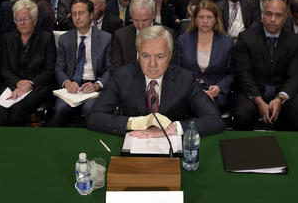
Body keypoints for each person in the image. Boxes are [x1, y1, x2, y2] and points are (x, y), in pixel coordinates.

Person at [87, 25, 224, 136]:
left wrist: (173, 128)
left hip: (171, 145)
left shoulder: (185, 79)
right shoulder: (122, 76)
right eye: (145, 56)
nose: (152, 64)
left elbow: (215, 120)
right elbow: (94, 117)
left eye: (159, 57)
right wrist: (136, 123)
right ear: (138, 54)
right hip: (134, 141)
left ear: (169, 56)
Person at [232, 0, 298, 130]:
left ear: (285, 17)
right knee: (242, 113)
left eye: (278, 15)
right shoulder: (246, 37)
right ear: (263, 15)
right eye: (269, 14)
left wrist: (280, 99)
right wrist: (259, 101)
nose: (273, 19)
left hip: (282, 92)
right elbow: (243, 74)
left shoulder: (294, 40)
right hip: (253, 92)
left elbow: (295, 76)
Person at [50, 0, 112, 127]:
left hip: (94, 88)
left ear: (91, 15)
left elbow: (110, 69)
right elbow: (59, 69)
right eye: (74, 14)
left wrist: (97, 85)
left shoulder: (106, 38)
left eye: (81, 13)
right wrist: (66, 83)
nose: (77, 17)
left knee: (90, 109)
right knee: (59, 110)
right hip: (72, 88)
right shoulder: (65, 39)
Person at [0, 0, 56, 126]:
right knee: (0, 111)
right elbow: (4, 69)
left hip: (38, 86)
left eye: (25, 19)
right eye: (17, 19)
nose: (21, 23)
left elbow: (49, 70)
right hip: (12, 84)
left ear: (35, 20)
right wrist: (18, 83)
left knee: (18, 110)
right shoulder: (7, 38)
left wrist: (30, 84)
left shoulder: (46, 38)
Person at [178, 0, 233, 108]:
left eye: (209, 17)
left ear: (216, 19)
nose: (205, 21)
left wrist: (219, 87)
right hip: (188, 93)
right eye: (201, 17)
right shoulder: (183, 40)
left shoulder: (227, 43)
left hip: (215, 95)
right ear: (195, 19)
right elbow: (177, 70)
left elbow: (232, 74)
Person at [111, 0, 156, 70]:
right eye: (136, 20)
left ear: (153, 15)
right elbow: (116, 69)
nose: (140, 25)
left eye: (145, 20)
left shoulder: (167, 35)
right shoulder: (120, 36)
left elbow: (171, 69)